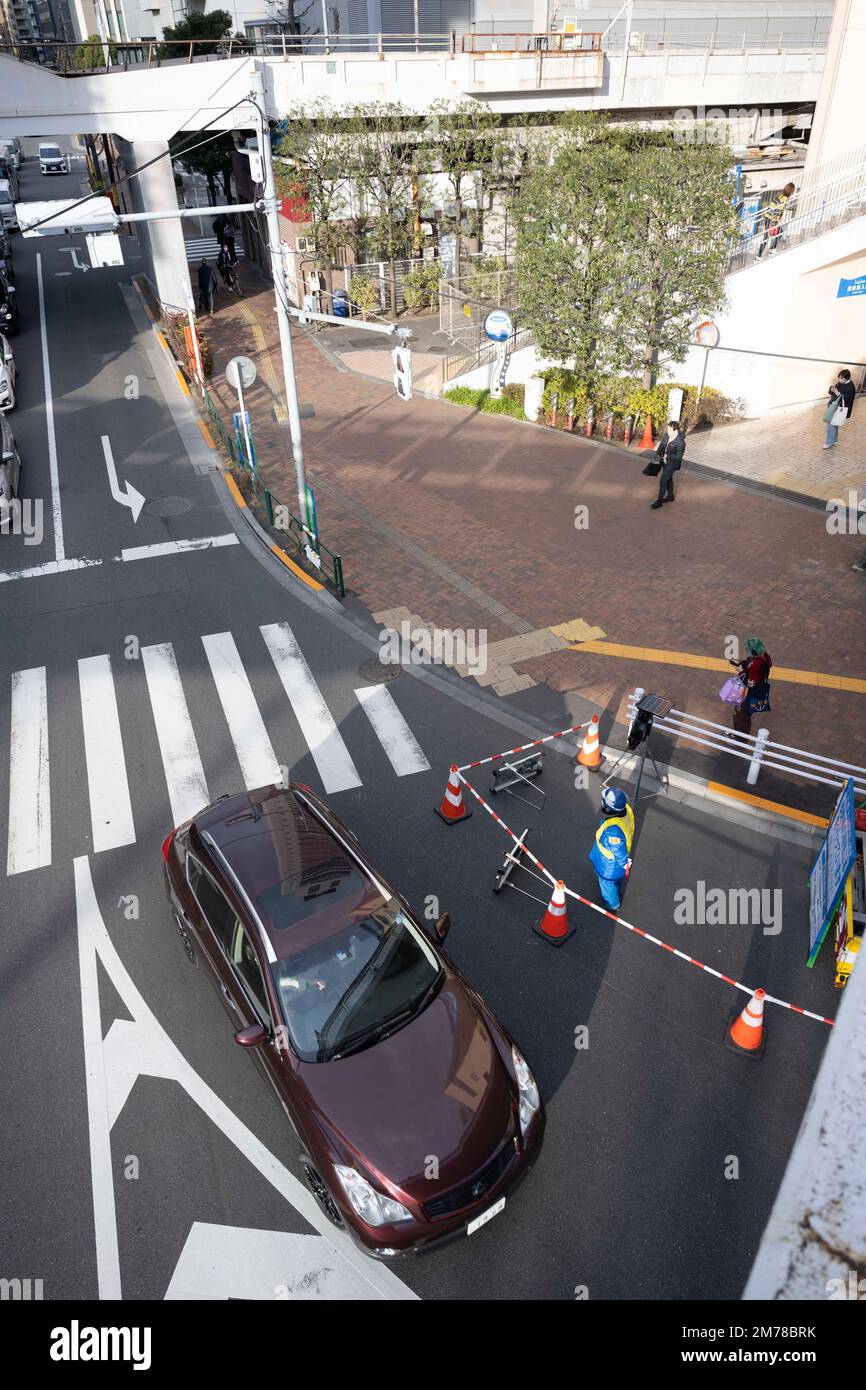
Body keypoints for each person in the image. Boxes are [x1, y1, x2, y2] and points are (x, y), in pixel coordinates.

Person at [588, 786, 635, 911]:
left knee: (607, 884)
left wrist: (624, 863)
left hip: (609, 866)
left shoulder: (612, 831)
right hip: (617, 865)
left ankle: (612, 904)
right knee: (616, 881)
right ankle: (617, 890)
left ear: (608, 808)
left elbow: (618, 850)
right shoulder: (627, 809)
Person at [728, 637, 772, 736]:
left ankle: (739, 738)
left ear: (754, 651)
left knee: (741, 715)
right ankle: (740, 734)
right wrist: (742, 664)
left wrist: (740, 672)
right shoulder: (765, 657)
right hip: (757, 690)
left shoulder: (756, 665)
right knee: (745, 715)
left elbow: (750, 683)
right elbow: (750, 665)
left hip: (749, 694)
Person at [648, 420, 685, 509]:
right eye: (667, 430)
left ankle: (659, 501)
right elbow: (662, 444)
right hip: (664, 460)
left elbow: (678, 457)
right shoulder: (667, 435)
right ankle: (670, 496)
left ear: (675, 430)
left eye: (669, 430)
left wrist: (667, 456)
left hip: (672, 464)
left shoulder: (680, 442)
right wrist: (657, 454)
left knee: (663, 481)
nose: (668, 432)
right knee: (669, 478)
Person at [756, 182, 795, 259]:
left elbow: (772, 206)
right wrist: (775, 222)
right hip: (772, 218)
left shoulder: (779, 194)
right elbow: (778, 210)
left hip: (768, 216)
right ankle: (771, 250)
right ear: (790, 191)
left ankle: (759, 256)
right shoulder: (784, 199)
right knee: (779, 233)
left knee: (766, 237)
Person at [822, 368, 856, 449]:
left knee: (831, 424)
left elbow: (848, 399)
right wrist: (832, 390)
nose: (840, 380)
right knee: (834, 423)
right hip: (834, 406)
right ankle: (834, 440)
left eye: (842, 378)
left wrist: (837, 392)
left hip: (840, 408)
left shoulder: (851, 386)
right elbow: (833, 392)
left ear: (847, 378)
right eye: (839, 378)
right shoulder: (841, 382)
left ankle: (829, 442)